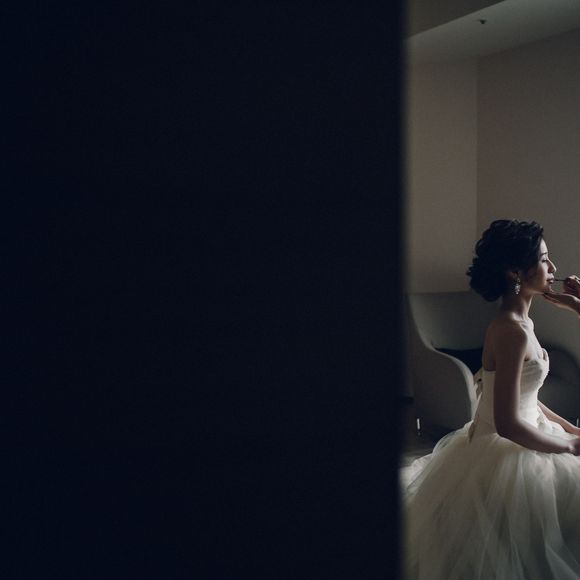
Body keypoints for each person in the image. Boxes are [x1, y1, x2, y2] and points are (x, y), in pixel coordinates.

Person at [402, 219, 580, 580]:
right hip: (507, 447)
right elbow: (508, 424)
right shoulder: (512, 331)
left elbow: (527, 400)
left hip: (530, 430)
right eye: (543, 259)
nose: (553, 267)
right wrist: (569, 446)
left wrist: (570, 430)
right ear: (515, 272)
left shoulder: (523, 324)